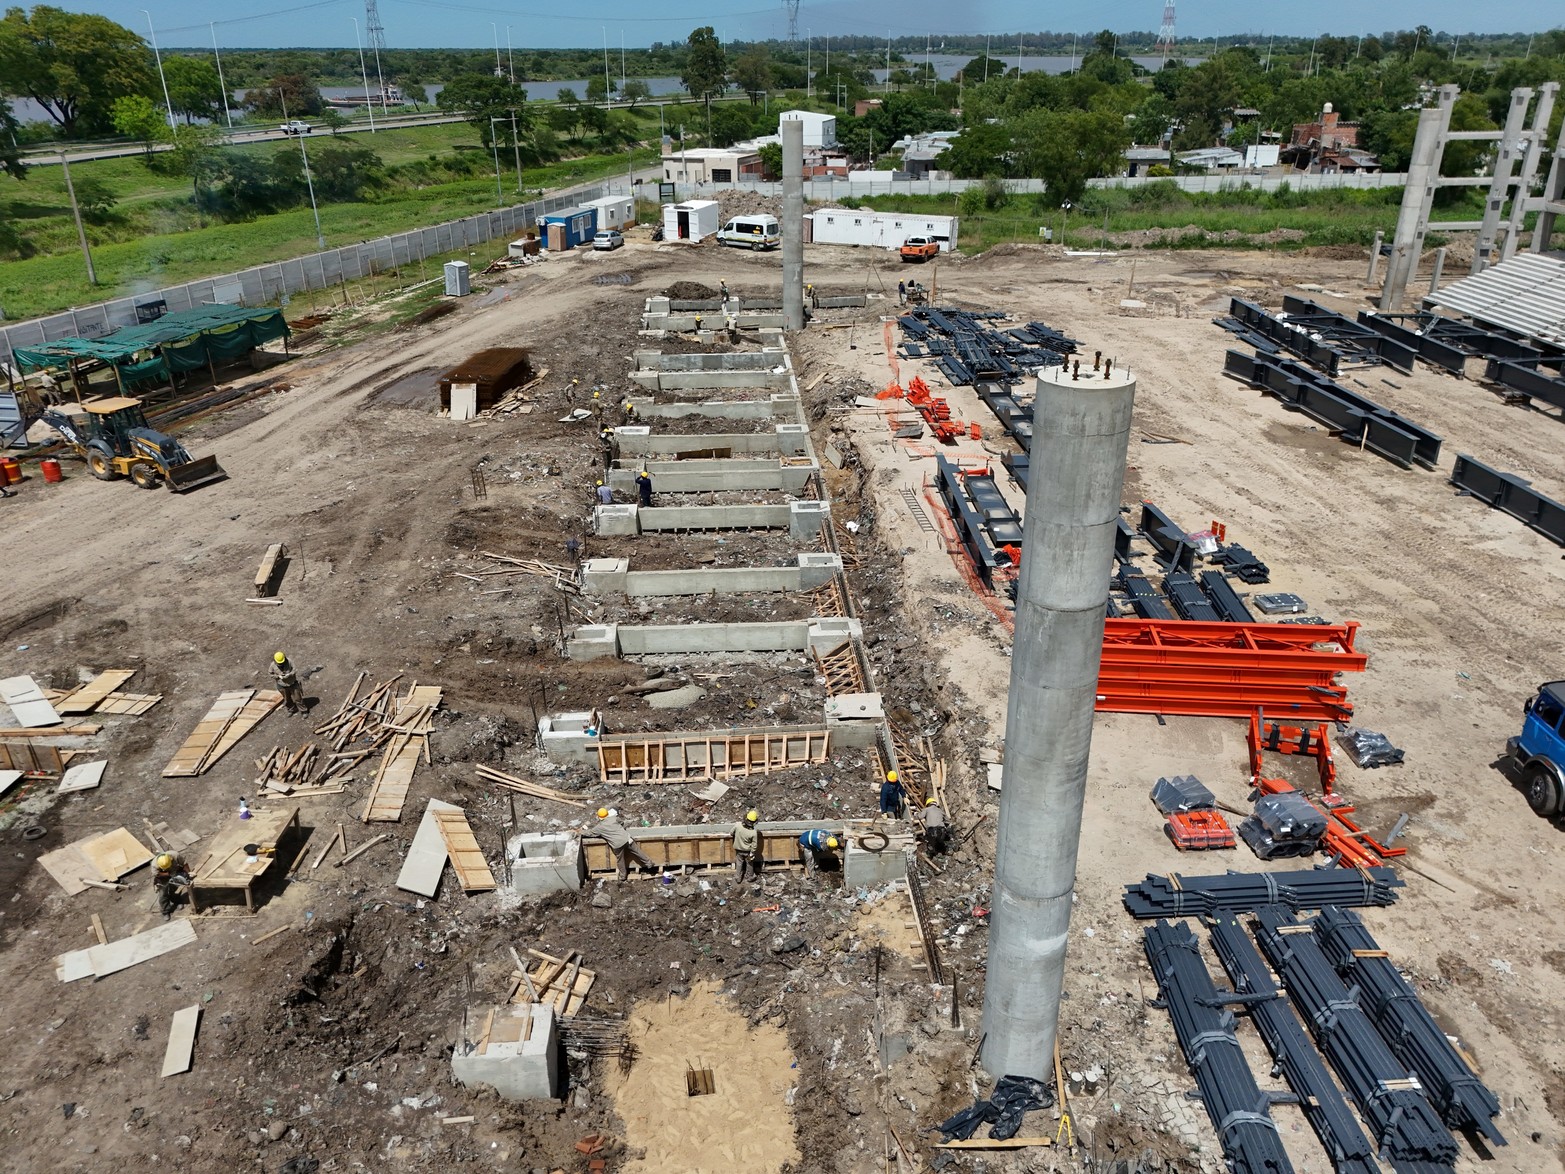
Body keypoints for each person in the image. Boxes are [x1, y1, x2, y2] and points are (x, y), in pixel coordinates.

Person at [591, 807, 654, 882]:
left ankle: (623, 876)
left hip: (617, 845)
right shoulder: (614, 818)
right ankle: (649, 863)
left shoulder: (599, 827)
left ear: (599, 817)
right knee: (637, 851)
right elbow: (621, 823)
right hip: (626, 839)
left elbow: (590, 833)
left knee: (620, 860)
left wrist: (579, 832)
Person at [152, 852, 190, 918]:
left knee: (175, 888)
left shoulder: (176, 855)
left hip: (174, 872)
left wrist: (189, 874)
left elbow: (184, 864)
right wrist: (167, 874)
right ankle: (165, 911)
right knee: (163, 894)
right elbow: (157, 874)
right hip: (162, 876)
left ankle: (177, 902)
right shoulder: (154, 864)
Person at [732, 809, 762, 885]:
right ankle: (749, 877)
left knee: (739, 864)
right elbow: (754, 845)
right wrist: (752, 853)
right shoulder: (753, 832)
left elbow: (731, 833)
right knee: (750, 864)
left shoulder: (737, 825)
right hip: (748, 851)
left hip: (739, 850)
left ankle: (738, 878)